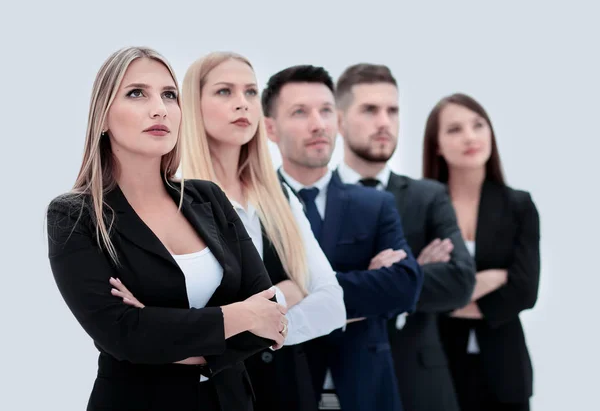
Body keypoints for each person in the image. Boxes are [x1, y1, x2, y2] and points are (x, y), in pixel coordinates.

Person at [46, 46, 287, 411]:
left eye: (169, 95)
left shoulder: (207, 197)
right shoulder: (75, 215)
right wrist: (239, 316)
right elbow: (124, 335)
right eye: (136, 93)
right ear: (102, 118)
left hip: (231, 401)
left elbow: (269, 312)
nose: (159, 107)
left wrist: (161, 330)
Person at [112, 52, 346, 411]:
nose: (243, 104)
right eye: (225, 92)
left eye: (251, 93)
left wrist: (245, 325)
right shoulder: (173, 196)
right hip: (210, 393)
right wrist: (286, 295)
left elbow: (331, 303)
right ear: (193, 106)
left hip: (288, 386)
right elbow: (151, 326)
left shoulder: (279, 195)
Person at [262, 64, 424, 411]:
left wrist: (299, 291)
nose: (318, 124)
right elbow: (248, 300)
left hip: (365, 390)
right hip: (281, 388)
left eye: (325, 111)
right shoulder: (250, 209)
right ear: (270, 128)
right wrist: (366, 283)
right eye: (299, 112)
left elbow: (405, 285)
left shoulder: (375, 203)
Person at [335, 63, 476, 411]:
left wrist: (378, 281)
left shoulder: (428, 197)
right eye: (370, 110)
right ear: (338, 120)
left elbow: (461, 280)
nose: (384, 122)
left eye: (392, 111)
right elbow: (308, 288)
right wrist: (408, 274)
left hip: (419, 385)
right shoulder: (311, 196)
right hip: (337, 383)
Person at [423, 93, 540, 411]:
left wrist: (449, 295)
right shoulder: (422, 206)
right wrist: (491, 279)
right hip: (439, 366)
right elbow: (417, 292)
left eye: (478, 125)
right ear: (436, 145)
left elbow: (524, 291)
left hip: (506, 373)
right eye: (455, 129)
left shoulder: (519, 205)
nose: (470, 137)